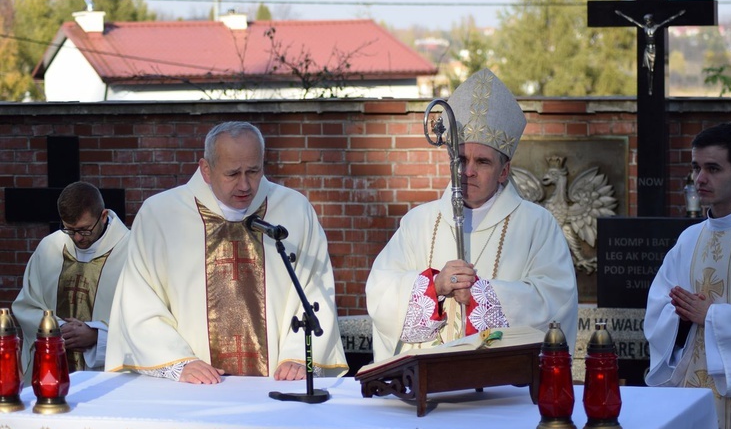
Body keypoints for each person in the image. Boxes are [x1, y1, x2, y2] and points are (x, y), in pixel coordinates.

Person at [105, 121, 348, 384]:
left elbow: (315, 288)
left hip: (278, 384)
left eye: (253, 171)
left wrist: (299, 356)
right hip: (195, 388)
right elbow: (139, 301)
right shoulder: (160, 215)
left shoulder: (294, 210)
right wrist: (179, 362)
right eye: (233, 174)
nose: (245, 185)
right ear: (206, 170)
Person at [366, 69, 578, 362]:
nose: (468, 171)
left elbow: (555, 301)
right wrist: (435, 286)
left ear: (504, 171)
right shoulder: (419, 222)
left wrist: (481, 296)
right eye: (461, 159)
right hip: (431, 380)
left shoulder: (537, 225)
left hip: (502, 387)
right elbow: (380, 290)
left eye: (482, 161)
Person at [644, 122, 731, 429]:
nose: (699, 179)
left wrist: (714, 317)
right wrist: (679, 315)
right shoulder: (688, 240)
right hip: (692, 392)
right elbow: (657, 309)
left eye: (713, 168)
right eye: (696, 167)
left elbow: (708, 313)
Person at [12, 181, 130, 379]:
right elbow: (26, 306)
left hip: (107, 379)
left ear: (102, 216)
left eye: (84, 230)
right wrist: (58, 328)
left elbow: (144, 318)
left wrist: (97, 336)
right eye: (69, 229)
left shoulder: (131, 251)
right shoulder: (50, 248)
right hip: (53, 371)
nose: (77, 238)